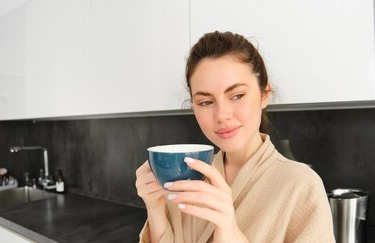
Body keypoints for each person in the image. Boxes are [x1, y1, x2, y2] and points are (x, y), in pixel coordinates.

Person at [135, 31, 335, 243]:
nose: (222, 115)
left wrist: (230, 232)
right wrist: (155, 207)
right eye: (205, 102)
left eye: (237, 95)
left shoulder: (302, 185)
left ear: (265, 94)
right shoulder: (186, 175)